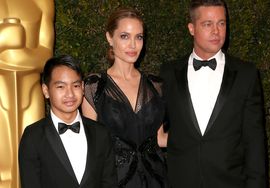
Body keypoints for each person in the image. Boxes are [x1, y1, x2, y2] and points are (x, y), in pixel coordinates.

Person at [160, 0, 267, 187]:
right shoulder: (168, 73)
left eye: (221, 23)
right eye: (208, 24)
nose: (216, 31)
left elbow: (254, 142)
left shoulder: (246, 74)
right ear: (191, 28)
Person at [82, 7, 169, 188]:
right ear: (109, 38)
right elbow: (91, 147)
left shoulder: (156, 85)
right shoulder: (94, 86)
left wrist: (203, 136)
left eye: (139, 37)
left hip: (155, 178)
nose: (133, 45)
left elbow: (160, 139)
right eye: (124, 36)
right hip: (114, 179)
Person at [18, 55, 117, 188]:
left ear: (82, 87)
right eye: (61, 87)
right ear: (46, 90)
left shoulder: (101, 133)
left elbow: (109, 183)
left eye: (75, 85)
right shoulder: (33, 136)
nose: (69, 94)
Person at [0, 1, 54, 187]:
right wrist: (3, 38)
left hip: (31, 93)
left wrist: (17, 57)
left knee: (32, 165)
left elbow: (46, 55)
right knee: (4, 166)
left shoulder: (43, 2)